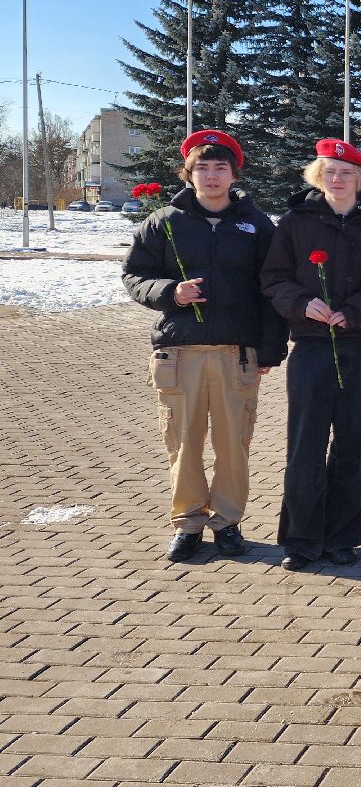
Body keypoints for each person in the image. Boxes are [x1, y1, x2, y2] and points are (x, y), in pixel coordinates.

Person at [121, 129, 288, 562]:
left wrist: (269, 349)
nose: (211, 176)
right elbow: (134, 276)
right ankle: (188, 523)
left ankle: (228, 522)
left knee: (234, 444)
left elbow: (271, 288)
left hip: (236, 353)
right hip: (179, 353)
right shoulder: (163, 222)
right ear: (189, 173)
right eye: (202, 168)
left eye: (220, 168)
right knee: (183, 441)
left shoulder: (256, 225)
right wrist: (170, 292)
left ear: (234, 174)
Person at [260, 139, 361, 572]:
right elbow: (273, 278)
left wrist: (355, 313)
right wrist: (302, 304)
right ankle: (300, 539)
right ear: (317, 177)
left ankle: (343, 536)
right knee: (305, 444)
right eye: (330, 172)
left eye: (346, 172)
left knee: (357, 445)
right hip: (312, 347)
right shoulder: (295, 222)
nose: (337, 180)